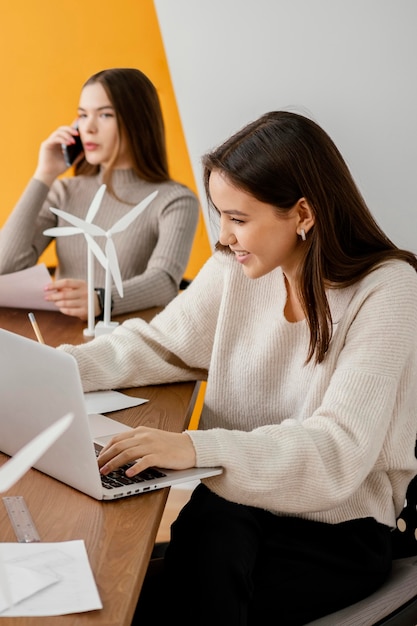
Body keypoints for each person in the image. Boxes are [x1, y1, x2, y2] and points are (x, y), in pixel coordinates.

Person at [57, 111, 417, 625]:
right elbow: (162, 346)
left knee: (183, 585)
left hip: (337, 526)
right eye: (220, 215)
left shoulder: (388, 288)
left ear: (303, 214)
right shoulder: (238, 268)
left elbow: (339, 451)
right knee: (193, 551)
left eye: (239, 219)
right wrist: (58, 368)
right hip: (236, 506)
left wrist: (194, 447)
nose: (223, 236)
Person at [0, 68, 199, 320]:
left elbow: (164, 281)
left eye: (105, 115)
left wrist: (102, 299)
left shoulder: (174, 200)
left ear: (138, 121)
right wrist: (44, 175)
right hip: (61, 337)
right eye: (82, 116)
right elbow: (3, 267)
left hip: (129, 342)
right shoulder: (64, 192)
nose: (89, 128)